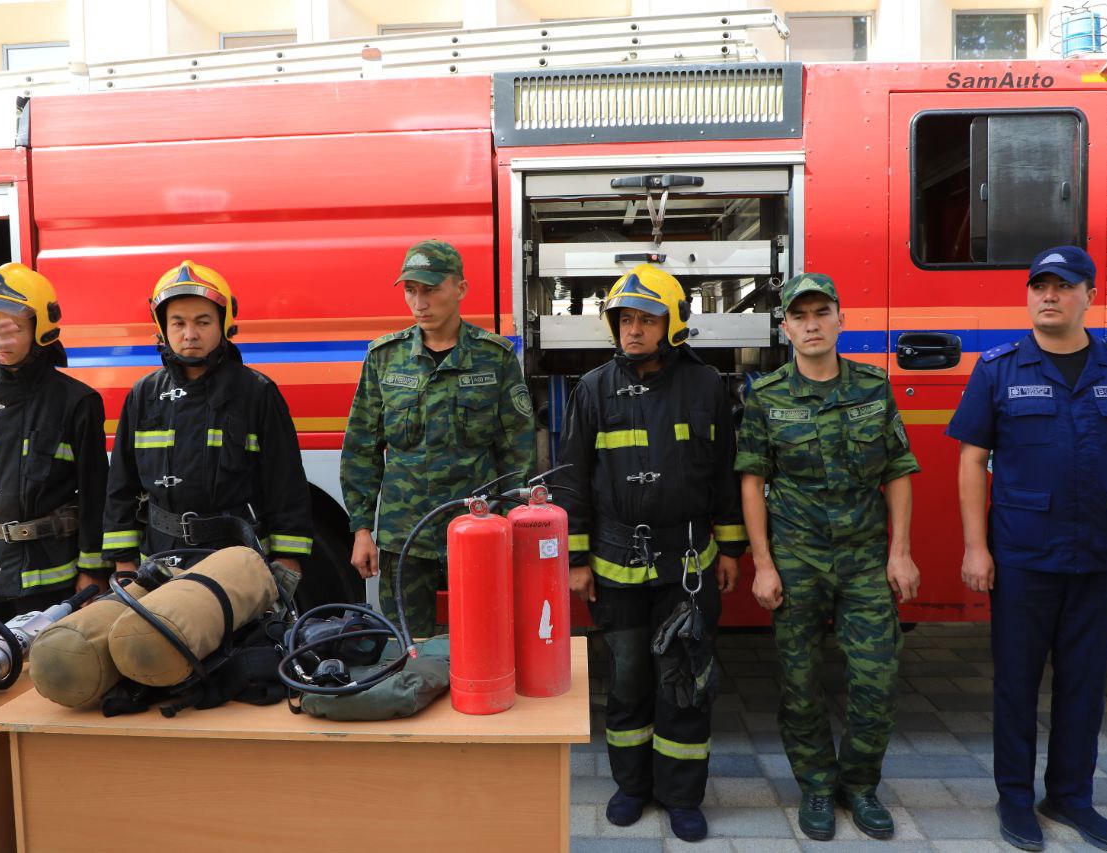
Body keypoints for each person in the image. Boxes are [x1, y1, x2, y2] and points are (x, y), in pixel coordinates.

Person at [947, 246, 1107, 853]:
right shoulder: (998, 369)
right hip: (1023, 556)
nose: (1049, 296)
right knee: (1016, 683)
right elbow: (971, 460)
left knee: (1085, 681)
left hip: (1102, 556)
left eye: (1064, 286)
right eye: (1039, 286)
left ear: (1089, 296)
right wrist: (975, 547)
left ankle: (1071, 796)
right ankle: (1015, 798)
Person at [553, 264, 745, 843]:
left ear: (673, 324)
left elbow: (724, 472)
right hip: (615, 564)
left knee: (685, 681)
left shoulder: (705, 385)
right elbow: (572, 479)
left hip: (688, 563)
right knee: (628, 680)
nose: (633, 331)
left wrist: (730, 546)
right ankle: (632, 788)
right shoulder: (593, 388)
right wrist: (576, 560)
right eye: (624, 319)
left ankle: (682, 796)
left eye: (647, 320)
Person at [737, 273, 920, 842]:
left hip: (865, 559)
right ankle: (816, 785)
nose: (811, 325)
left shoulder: (873, 387)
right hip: (797, 559)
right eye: (800, 315)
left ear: (842, 319)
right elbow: (752, 481)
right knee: (799, 680)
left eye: (822, 313)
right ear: (785, 327)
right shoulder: (767, 396)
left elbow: (898, 470)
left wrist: (900, 553)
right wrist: (763, 564)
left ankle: (860, 786)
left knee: (877, 678)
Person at [341, 239, 534, 637]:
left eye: (430, 289)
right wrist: (361, 530)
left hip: (478, 530)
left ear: (460, 289)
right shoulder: (384, 358)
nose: (419, 303)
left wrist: (512, 527)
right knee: (409, 647)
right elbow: (362, 449)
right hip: (404, 538)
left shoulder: (495, 358)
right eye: (411, 290)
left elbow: (518, 452)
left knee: (484, 639)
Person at [102, 260, 312, 585]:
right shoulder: (143, 395)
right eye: (178, 323)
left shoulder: (256, 393)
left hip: (236, 557)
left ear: (223, 324)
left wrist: (288, 558)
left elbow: (286, 484)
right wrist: (123, 561)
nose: (190, 334)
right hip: (159, 559)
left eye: (203, 322)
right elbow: (121, 486)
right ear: (163, 328)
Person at [0, 264, 110, 620]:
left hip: (49, 573)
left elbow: (96, 492)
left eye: (13, 329)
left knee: (52, 656)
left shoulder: (77, 402)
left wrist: (93, 568)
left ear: (41, 328)